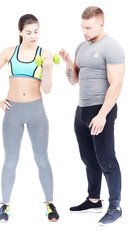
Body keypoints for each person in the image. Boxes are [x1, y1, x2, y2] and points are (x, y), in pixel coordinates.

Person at [0, 14, 59, 222]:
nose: (33, 36)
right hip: (13, 112)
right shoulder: (10, 52)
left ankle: (50, 204)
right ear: (20, 32)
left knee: (42, 159)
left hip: (37, 111)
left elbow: (47, 89)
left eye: (36, 31)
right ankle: (4, 205)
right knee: (10, 160)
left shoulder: (45, 54)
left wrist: (48, 68)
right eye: (28, 32)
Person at [60, 6, 125, 225]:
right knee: (89, 159)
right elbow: (74, 79)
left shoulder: (112, 47)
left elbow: (116, 84)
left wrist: (102, 114)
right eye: (82, 27)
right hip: (82, 110)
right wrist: (69, 63)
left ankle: (115, 206)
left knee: (106, 159)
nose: (84, 31)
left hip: (101, 110)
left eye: (88, 27)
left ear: (101, 24)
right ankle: (94, 199)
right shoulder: (82, 46)